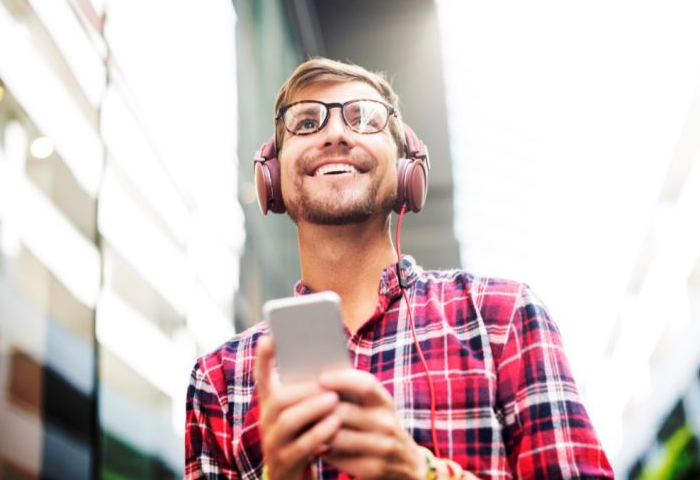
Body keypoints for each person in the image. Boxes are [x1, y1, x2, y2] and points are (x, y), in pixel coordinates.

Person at [185, 57, 614, 480]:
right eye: (306, 121)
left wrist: (422, 473)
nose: (335, 133)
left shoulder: (502, 318)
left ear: (408, 169)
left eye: (364, 118)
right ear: (272, 177)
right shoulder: (220, 383)